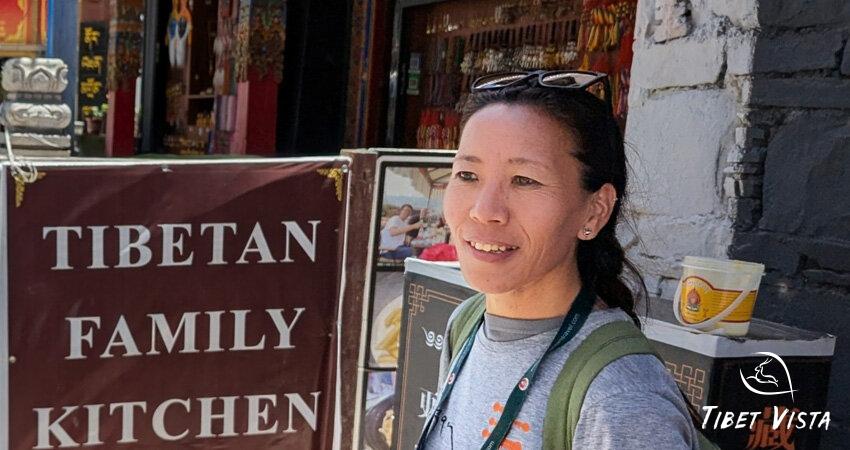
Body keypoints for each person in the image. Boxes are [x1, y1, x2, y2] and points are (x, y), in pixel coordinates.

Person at [417, 71, 703, 449]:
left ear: (594, 212)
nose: (484, 211)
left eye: (525, 180)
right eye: (467, 175)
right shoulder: (467, 324)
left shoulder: (619, 398)